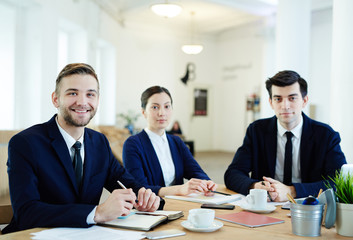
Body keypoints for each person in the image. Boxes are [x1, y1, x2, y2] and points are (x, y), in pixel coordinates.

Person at [3, 63, 160, 234]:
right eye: (72, 93)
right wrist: (97, 213)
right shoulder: (25, 143)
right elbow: (26, 213)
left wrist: (147, 197)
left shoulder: (99, 141)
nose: (82, 102)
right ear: (56, 99)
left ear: (97, 100)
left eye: (90, 94)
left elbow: (126, 183)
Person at [224, 70, 346, 202]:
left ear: (304, 101)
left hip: (308, 208)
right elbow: (233, 173)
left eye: (292, 98)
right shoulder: (256, 131)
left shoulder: (326, 135)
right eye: (278, 99)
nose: (285, 106)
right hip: (267, 206)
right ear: (271, 102)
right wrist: (255, 186)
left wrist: (291, 191)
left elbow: (338, 182)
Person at [123, 86, 217, 197]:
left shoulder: (176, 141)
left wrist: (206, 183)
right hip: (151, 210)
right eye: (155, 107)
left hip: (178, 206)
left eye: (167, 106)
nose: (162, 113)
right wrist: (179, 190)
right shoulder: (133, 144)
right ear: (143, 112)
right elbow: (138, 188)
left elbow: (195, 171)